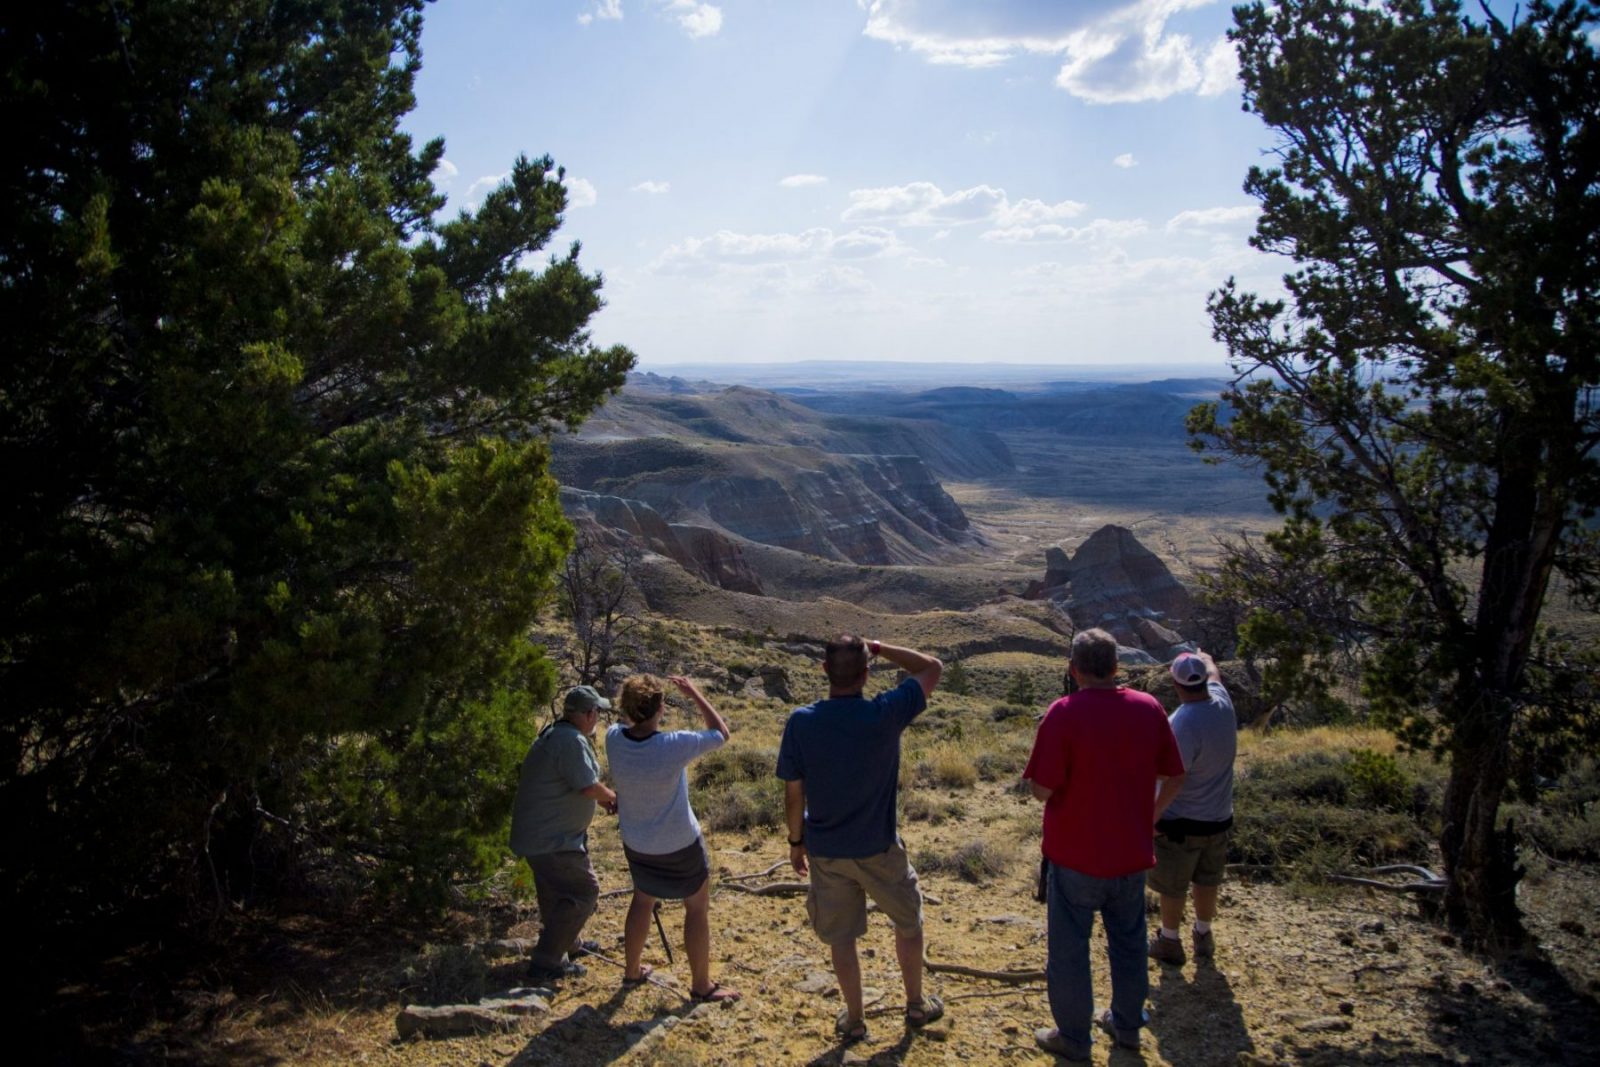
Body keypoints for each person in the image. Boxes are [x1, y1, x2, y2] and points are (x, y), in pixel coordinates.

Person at [1024, 628, 1186, 1061]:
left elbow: (1041, 791)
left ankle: (1074, 1038)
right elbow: (1176, 774)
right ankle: (1128, 1027)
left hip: (1074, 854)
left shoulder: (1063, 713)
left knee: (1070, 949)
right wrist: (1149, 816)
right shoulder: (1149, 708)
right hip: (1131, 854)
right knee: (1129, 943)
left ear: (1074, 670)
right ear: (1116, 667)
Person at [777, 635, 944, 1044]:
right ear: (867, 674)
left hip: (827, 850)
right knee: (908, 923)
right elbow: (931, 667)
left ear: (824, 672)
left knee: (842, 937)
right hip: (880, 846)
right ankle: (916, 1005)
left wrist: (796, 842)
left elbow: (794, 791)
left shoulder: (802, 721)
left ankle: (854, 1020)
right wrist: (882, 647)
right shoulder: (885, 713)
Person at [607, 674, 741, 1003]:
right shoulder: (673, 745)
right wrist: (694, 691)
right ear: (661, 708)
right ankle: (701, 985)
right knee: (696, 908)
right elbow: (721, 733)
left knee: (642, 899)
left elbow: (626, 725)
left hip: (637, 841)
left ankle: (632, 970)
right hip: (680, 842)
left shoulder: (613, 738)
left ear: (625, 707)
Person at [509, 684, 618, 983]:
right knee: (583, 891)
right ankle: (547, 961)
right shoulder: (570, 740)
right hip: (552, 839)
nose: (597, 718)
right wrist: (611, 797)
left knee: (556, 894)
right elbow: (586, 785)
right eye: (596, 712)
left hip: (544, 836)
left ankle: (568, 944)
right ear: (586, 714)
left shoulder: (556, 734)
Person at [1149, 649, 1237, 967]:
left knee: (1173, 884)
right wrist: (1207, 657)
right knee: (1207, 879)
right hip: (1219, 816)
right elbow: (1215, 674)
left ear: (1175, 683)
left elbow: (1174, 778)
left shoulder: (1183, 722)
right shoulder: (1221, 701)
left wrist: (1151, 818)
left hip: (1182, 822)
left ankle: (1170, 940)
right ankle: (1203, 934)